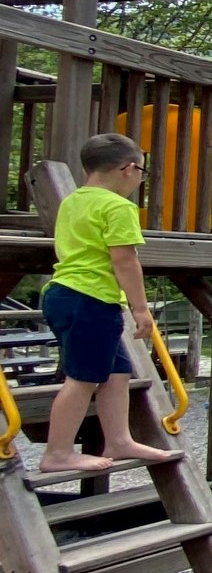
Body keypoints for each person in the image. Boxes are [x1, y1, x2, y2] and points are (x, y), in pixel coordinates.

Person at [40, 133, 178, 473]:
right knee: (83, 378)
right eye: (142, 172)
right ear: (129, 169)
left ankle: (118, 438)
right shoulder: (118, 206)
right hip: (91, 298)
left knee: (117, 372)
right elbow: (125, 259)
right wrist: (141, 308)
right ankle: (57, 453)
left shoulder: (73, 201)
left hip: (64, 293)